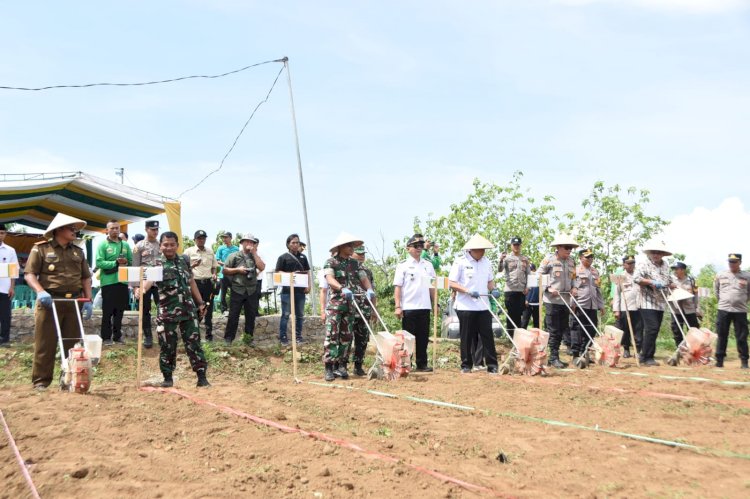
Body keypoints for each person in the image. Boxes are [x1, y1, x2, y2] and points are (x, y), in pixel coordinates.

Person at [24, 213, 93, 390]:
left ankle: (69, 379)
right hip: (50, 301)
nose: (75, 231)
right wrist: (40, 292)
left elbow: (86, 277)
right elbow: (29, 274)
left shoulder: (78, 251)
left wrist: (88, 299)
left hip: (74, 302)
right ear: (59, 229)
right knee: (45, 343)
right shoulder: (41, 249)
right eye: (71, 228)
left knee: (73, 344)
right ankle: (41, 381)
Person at [135, 231, 210, 387]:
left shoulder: (184, 260)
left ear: (177, 245)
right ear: (160, 246)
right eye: (165, 244)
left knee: (194, 343)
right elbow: (148, 282)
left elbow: (191, 282)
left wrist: (201, 302)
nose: (169, 248)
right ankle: (167, 378)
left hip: (188, 310)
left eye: (172, 244)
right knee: (167, 345)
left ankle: (201, 377)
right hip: (167, 311)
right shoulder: (156, 264)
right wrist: (141, 290)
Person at [322, 232, 376, 382]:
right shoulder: (331, 262)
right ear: (341, 247)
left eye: (353, 245)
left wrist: (369, 289)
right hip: (336, 305)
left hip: (351, 306)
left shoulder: (355, 264)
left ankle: (342, 366)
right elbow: (329, 278)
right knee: (332, 335)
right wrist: (341, 288)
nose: (352, 248)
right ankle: (329, 367)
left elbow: (363, 278)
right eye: (349, 245)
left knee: (347, 337)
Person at [448, 233, 500, 374]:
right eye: (479, 249)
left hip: (483, 305)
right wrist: (467, 291)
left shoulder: (486, 262)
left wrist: (494, 289)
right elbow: (451, 283)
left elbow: (489, 281)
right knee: (467, 336)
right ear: (471, 250)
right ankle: (466, 365)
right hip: (466, 306)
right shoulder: (460, 262)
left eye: (484, 249)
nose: (482, 252)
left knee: (487, 335)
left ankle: (492, 365)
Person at [394, 234, 436, 372]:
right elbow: (398, 287)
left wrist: (435, 303)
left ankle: (422, 364)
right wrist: (398, 306)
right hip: (409, 307)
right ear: (408, 248)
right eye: (416, 246)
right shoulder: (403, 266)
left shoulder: (428, 265)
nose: (419, 248)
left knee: (423, 338)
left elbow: (432, 286)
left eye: (421, 246)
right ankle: (407, 363)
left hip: (424, 306)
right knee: (408, 339)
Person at [539, 234, 579, 369]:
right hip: (552, 300)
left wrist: (574, 287)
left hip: (565, 300)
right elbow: (539, 275)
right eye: (567, 248)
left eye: (571, 248)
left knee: (562, 328)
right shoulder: (548, 260)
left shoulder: (572, 262)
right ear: (558, 247)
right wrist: (548, 288)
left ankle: (554, 356)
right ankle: (553, 357)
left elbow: (574, 277)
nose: (569, 251)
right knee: (553, 329)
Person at [633, 241, 676, 366]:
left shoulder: (666, 265)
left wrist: (672, 285)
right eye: (654, 252)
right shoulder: (644, 264)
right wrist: (651, 282)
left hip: (661, 301)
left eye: (658, 252)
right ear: (650, 253)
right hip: (646, 301)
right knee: (652, 328)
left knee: (655, 329)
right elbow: (636, 278)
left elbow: (669, 280)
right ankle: (644, 356)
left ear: (663, 254)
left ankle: (648, 356)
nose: (656, 254)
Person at [223, 233, 265, 345]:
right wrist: (238, 270)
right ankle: (228, 339)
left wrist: (254, 253)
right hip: (237, 289)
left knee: (251, 316)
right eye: (247, 241)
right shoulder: (234, 255)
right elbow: (225, 270)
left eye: (252, 242)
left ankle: (248, 339)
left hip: (251, 290)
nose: (249, 244)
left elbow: (262, 267)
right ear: (242, 243)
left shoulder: (255, 256)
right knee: (233, 315)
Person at [96, 219, 133, 345]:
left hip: (122, 282)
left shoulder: (126, 245)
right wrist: (115, 262)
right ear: (107, 230)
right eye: (112, 228)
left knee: (120, 311)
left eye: (117, 228)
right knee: (107, 311)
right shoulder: (103, 245)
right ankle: (106, 337)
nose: (115, 230)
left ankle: (117, 336)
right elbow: (99, 262)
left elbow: (131, 261)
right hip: (108, 281)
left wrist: (125, 262)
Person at [569, 248, 604, 366]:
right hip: (579, 304)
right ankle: (575, 354)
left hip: (592, 305)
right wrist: (572, 304)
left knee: (591, 330)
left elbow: (598, 290)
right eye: (587, 257)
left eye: (591, 257)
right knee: (577, 329)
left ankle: (585, 352)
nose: (590, 259)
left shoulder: (595, 272)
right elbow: (571, 289)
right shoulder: (575, 270)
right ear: (580, 258)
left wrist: (601, 305)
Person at [714, 253, 750, 369]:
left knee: (741, 336)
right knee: (722, 335)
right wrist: (724, 301)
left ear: (740, 262)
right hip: (723, 309)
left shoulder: (747, 276)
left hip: (740, 310)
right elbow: (716, 291)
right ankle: (719, 361)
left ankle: (744, 361)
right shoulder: (721, 275)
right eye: (730, 261)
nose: (732, 264)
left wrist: (741, 301)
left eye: (734, 262)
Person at [275, 233, 311, 345]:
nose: (296, 245)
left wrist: (309, 285)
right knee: (286, 314)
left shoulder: (303, 257)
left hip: (300, 291)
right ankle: (283, 337)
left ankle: (298, 336)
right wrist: (291, 274)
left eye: (297, 242)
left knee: (300, 314)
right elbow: (278, 272)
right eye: (293, 243)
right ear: (288, 244)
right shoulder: (283, 257)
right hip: (287, 291)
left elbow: (308, 272)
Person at [184, 230, 218, 342]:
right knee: (194, 310)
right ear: (194, 240)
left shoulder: (210, 251)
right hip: (195, 284)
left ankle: (209, 336)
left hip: (208, 283)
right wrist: (193, 265)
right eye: (199, 238)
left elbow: (214, 266)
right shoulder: (188, 252)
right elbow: (183, 269)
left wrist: (214, 274)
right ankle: (194, 336)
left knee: (208, 309)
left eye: (203, 238)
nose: (201, 240)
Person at [132, 220, 161, 348]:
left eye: (157, 229)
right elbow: (135, 267)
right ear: (146, 229)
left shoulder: (162, 244)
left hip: (159, 282)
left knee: (162, 308)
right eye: (152, 229)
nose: (155, 232)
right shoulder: (139, 246)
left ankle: (162, 335)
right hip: (144, 281)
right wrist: (135, 287)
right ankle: (148, 336)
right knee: (144, 310)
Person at [498, 236, 531, 338]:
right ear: (511, 246)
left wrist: (527, 287)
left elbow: (529, 274)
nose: (516, 247)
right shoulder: (507, 258)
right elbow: (500, 269)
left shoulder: (525, 259)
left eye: (518, 245)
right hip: (510, 290)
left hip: (521, 290)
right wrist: (500, 260)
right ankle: (511, 336)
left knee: (520, 313)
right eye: (514, 245)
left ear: (521, 245)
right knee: (511, 313)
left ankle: (518, 336)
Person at [351, 245, 376, 375]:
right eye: (358, 253)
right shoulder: (346, 268)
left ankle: (358, 366)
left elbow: (372, 291)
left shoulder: (368, 271)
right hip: (349, 309)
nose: (362, 256)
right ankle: (340, 365)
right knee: (346, 339)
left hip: (364, 308)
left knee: (363, 339)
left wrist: (373, 309)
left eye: (363, 254)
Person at [612, 255, 642, 358]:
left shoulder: (639, 275)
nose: (631, 265)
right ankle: (626, 349)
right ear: (624, 265)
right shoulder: (620, 277)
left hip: (638, 307)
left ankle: (638, 350)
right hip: (625, 307)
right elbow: (616, 294)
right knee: (625, 329)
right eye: (628, 263)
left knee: (639, 329)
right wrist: (616, 310)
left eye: (633, 263)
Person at [669, 261, 700, 348]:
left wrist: (697, 308)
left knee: (694, 329)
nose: (675, 271)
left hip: (689, 308)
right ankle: (680, 349)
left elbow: (696, 295)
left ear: (683, 270)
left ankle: (694, 348)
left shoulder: (691, 280)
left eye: (676, 269)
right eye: (674, 269)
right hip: (676, 309)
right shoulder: (670, 280)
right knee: (676, 330)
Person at [0, 224, 19, 347]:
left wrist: (12, 287)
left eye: (2, 233)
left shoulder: (10, 250)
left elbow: (13, 270)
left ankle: (4, 339)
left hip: (4, 288)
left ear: (5, 234)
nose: (0, 235)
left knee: (5, 315)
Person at [215, 232, 239, 316]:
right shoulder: (220, 248)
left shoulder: (236, 249)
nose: (224, 239)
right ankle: (223, 310)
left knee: (235, 292)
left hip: (234, 274)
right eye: (223, 238)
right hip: (223, 273)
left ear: (230, 238)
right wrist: (225, 264)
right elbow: (217, 260)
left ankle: (233, 310)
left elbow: (239, 260)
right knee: (223, 293)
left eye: (226, 237)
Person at [521, 263, 539, 330]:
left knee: (537, 323)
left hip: (537, 303)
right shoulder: (525, 278)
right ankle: (522, 337)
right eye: (530, 270)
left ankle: (536, 338)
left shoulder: (538, 278)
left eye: (532, 270)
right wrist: (525, 299)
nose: (531, 271)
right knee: (524, 322)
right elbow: (523, 291)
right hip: (527, 303)